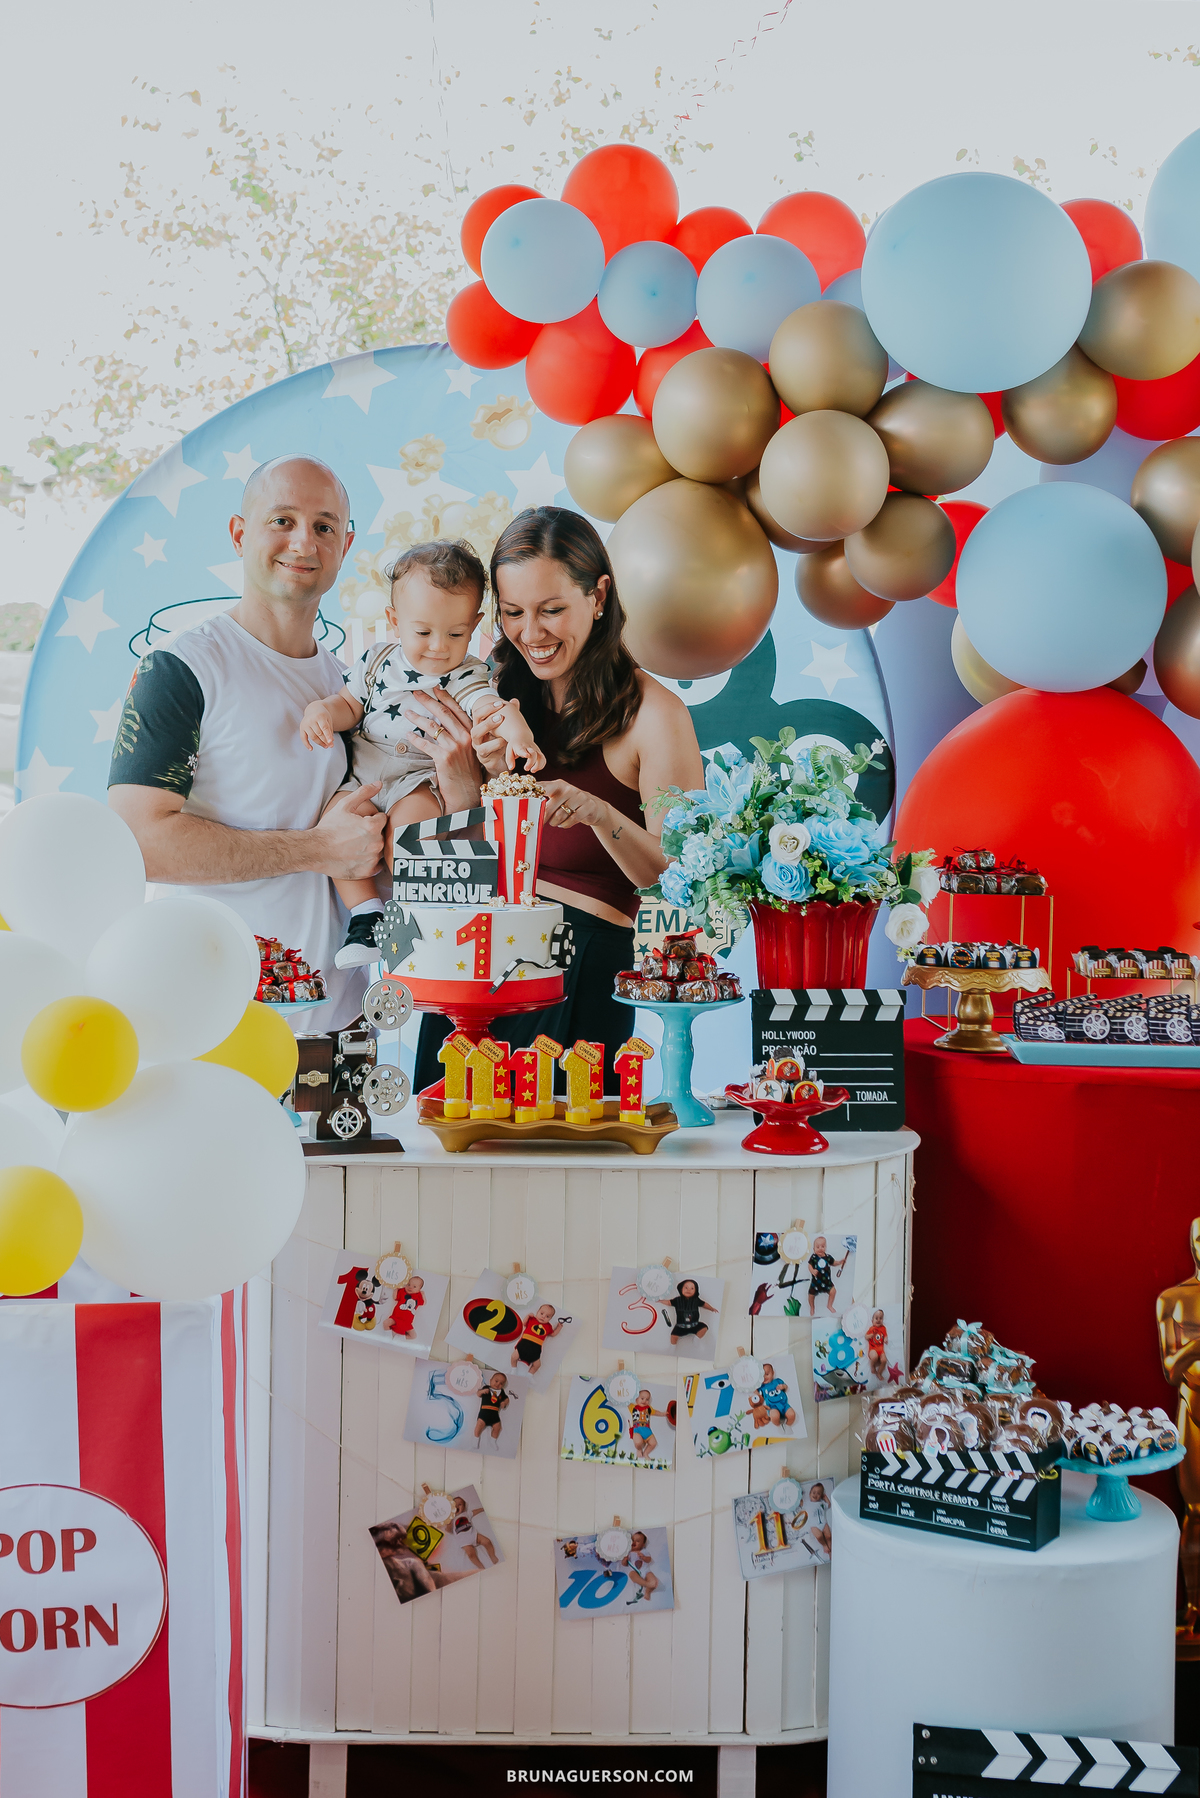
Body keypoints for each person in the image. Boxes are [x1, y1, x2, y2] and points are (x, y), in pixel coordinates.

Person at [106, 456, 481, 1030]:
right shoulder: (182, 666)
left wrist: (459, 788)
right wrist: (314, 849)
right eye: (281, 519)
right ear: (239, 533)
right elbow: (137, 844)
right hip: (216, 1021)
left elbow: (388, 849)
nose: (303, 541)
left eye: (324, 526)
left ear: (345, 544)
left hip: (340, 1025)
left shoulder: (354, 689)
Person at [412, 505, 705, 1094]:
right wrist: (468, 786)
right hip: (472, 963)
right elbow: (465, 870)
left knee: (563, 1171)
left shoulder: (655, 716)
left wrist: (598, 813)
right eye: (513, 613)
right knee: (439, 1166)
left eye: (552, 610)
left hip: (579, 970)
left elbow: (681, 879)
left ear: (599, 596)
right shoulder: (488, 693)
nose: (532, 634)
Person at [298, 538, 543, 968]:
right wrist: (321, 711)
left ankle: (411, 920)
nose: (437, 647)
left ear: (475, 624)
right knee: (335, 823)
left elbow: (491, 708)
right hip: (365, 773)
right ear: (394, 620)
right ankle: (365, 915)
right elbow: (349, 705)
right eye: (423, 632)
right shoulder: (376, 662)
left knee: (410, 838)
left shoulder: (466, 673)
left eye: (455, 633)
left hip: (419, 776)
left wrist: (519, 734)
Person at [510, 1301, 563, 1376]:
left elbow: (553, 1334)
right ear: (537, 1312)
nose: (543, 1317)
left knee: (537, 1365)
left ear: (550, 1318)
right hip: (524, 1344)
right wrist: (528, 1316)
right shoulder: (532, 1320)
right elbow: (524, 1323)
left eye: (547, 1316)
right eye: (541, 1313)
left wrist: (559, 1328)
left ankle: (529, 1375)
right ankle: (513, 1369)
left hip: (536, 1348)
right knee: (513, 1356)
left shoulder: (548, 1326)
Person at [448, 1495, 499, 1570]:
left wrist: (482, 1508)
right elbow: (448, 1530)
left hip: (473, 1535)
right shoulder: (451, 1519)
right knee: (471, 1554)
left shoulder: (465, 1514)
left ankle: (492, 1556)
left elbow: (474, 1511)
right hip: (464, 1541)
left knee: (487, 1541)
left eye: (460, 1504)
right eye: (455, 1505)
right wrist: (449, 1522)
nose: (457, 1506)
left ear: (464, 1507)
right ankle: (480, 1566)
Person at [806, 1236, 850, 1318]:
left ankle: (829, 1305)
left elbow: (833, 1263)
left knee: (833, 1291)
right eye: (818, 1247)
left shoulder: (828, 1257)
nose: (820, 1249)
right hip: (816, 1282)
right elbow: (809, 1265)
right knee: (810, 1295)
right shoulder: (813, 1257)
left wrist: (840, 1262)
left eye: (822, 1246)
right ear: (813, 1248)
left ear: (825, 1247)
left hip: (827, 1282)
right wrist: (812, 1270)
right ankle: (812, 1307)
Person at [668, 1277, 719, 1347]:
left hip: (695, 1325)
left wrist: (711, 1308)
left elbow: (704, 1304)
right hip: (680, 1326)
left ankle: (697, 1339)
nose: (688, 1290)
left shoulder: (696, 1300)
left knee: (704, 1327)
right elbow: (669, 1302)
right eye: (686, 1288)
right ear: (681, 1289)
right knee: (673, 1336)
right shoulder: (677, 1300)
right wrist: (660, 1301)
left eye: (692, 1288)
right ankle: (672, 1347)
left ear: (695, 1291)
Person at [474, 1371, 510, 1443]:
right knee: (479, 1425)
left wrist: (504, 1403)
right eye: (496, 1381)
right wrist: (482, 1391)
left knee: (498, 1427)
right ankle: (475, 1439)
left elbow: (507, 1399)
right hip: (484, 1412)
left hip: (495, 1413)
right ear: (490, 1380)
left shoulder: (501, 1392)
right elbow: (478, 1393)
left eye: (501, 1383)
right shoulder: (486, 1388)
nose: (498, 1384)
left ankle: (493, 1441)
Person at [758, 1362, 796, 1428]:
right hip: (772, 1407)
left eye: (767, 1374)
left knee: (792, 1414)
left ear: (773, 1373)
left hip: (784, 1404)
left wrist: (783, 1386)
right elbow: (758, 1396)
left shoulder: (777, 1381)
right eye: (762, 1375)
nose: (765, 1377)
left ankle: (788, 1426)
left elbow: (786, 1387)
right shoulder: (762, 1387)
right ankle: (779, 1426)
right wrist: (754, 1389)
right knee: (774, 1417)